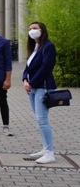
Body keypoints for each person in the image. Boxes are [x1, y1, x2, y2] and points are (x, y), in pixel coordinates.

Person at [23, 21, 57, 165]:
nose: (32, 31)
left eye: (35, 28)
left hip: (41, 87)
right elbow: (28, 66)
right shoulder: (35, 47)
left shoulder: (48, 47)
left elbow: (46, 68)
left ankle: (50, 153)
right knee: (39, 119)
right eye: (30, 29)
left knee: (43, 120)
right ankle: (45, 148)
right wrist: (25, 79)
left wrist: (31, 82)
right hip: (32, 88)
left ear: (42, 30)